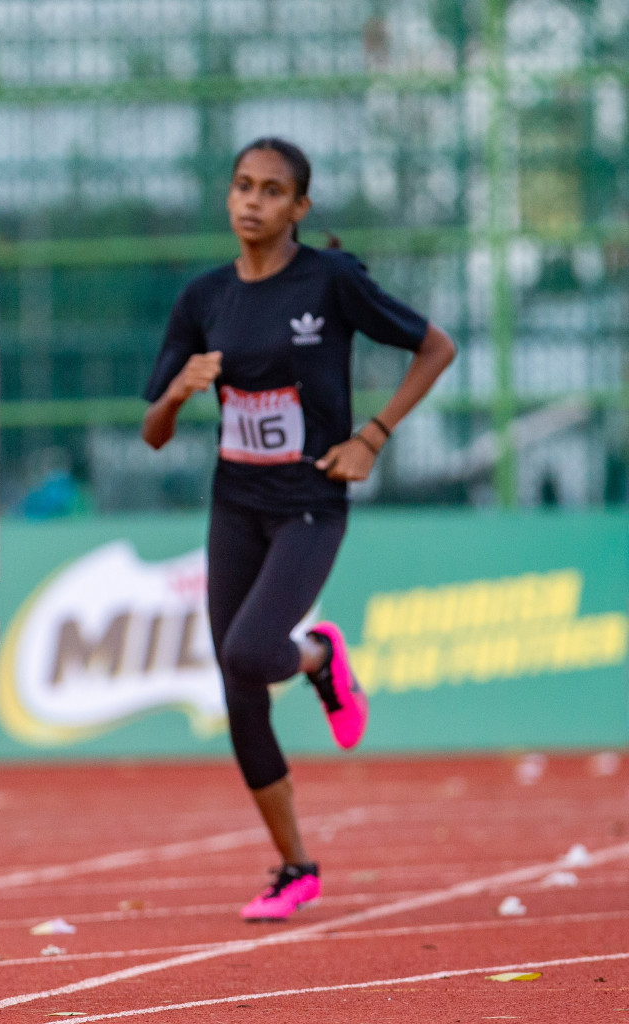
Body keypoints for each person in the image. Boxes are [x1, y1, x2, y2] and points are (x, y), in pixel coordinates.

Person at [141, 138, 456, 922]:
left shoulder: (330, 279)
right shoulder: (204, 298)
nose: (253, 201)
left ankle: (320, 655)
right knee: (239, 689)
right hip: (235, 504)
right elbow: (151, 431)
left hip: (311, 501)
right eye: (242, 186)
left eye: (273, 191)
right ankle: (295, 867)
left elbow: (435, 347)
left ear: (300, 208)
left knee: (251, 650)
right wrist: (179, 393)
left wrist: (373, 436)